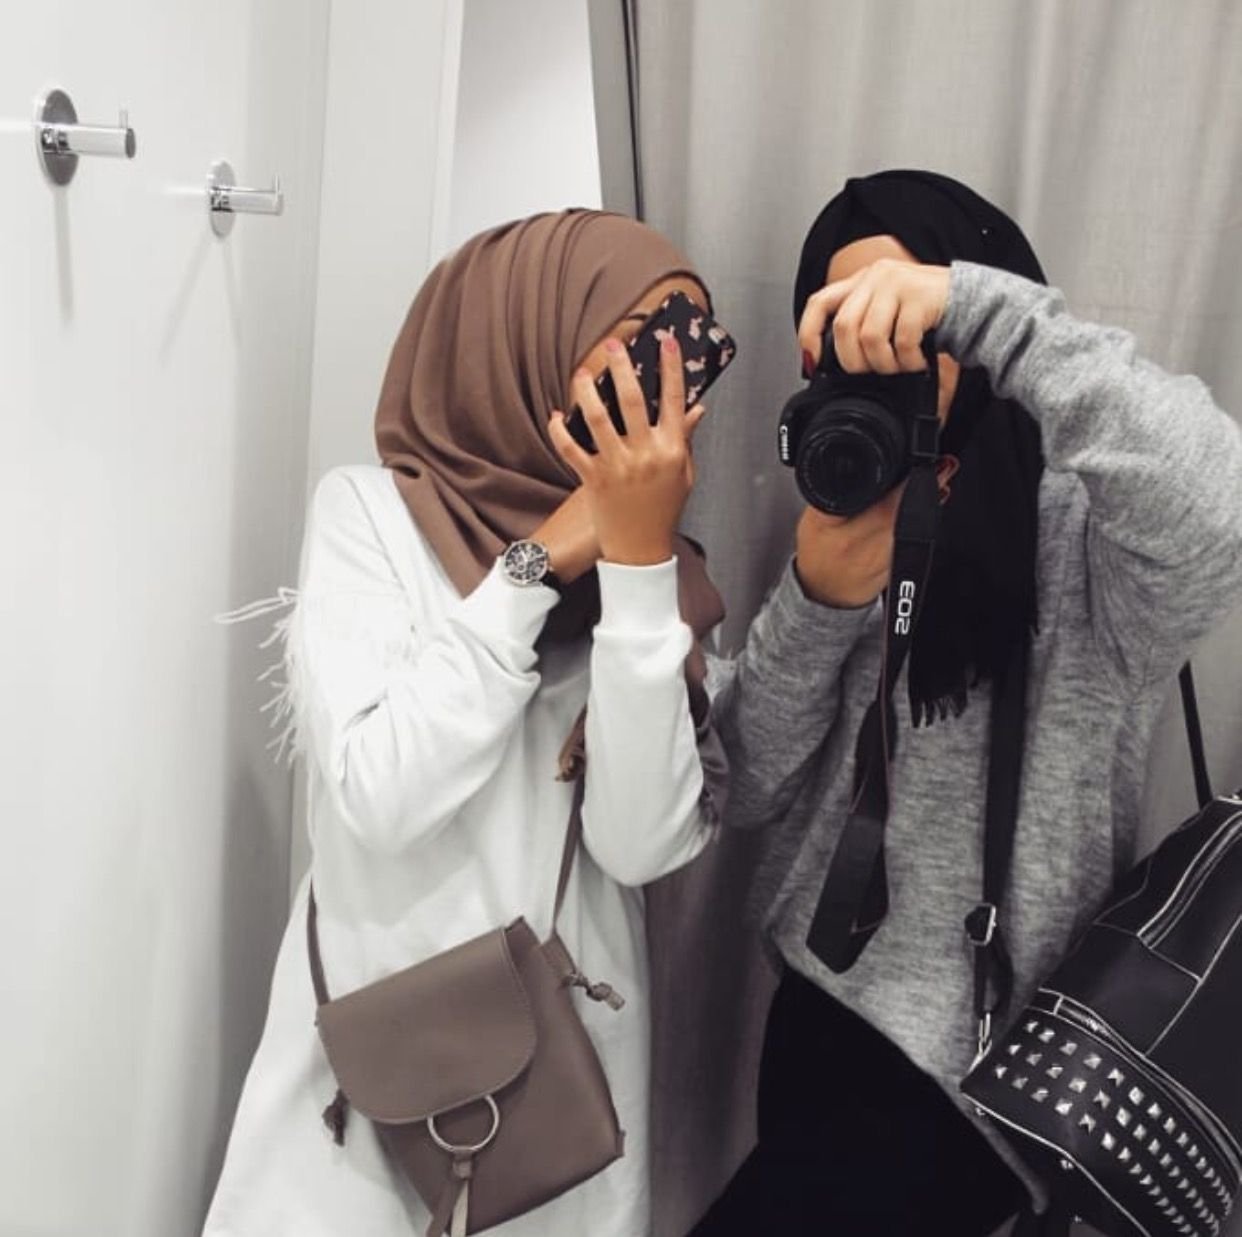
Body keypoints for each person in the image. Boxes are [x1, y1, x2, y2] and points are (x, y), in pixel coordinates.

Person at [693, 170, 1242, 1235]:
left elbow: (1218, 508)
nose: (886, 354)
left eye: (904, 321)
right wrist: (818, 599)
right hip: (818, 1003)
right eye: (851, 328)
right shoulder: (845, 492)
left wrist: (977, 310)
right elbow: (746, 785)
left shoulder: (1089, 532)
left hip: (983, 1074)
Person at [203, 209, 728, 1237]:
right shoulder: (372, 516)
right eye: (644, 342)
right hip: (357, 1090)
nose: (667, 383)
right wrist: (539, 563)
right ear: (526, 329)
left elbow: (639, 844)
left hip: (556, 1112)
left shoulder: (669, 578)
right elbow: (382, 796)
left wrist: (634, 570)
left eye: (695, 350)